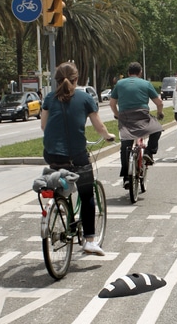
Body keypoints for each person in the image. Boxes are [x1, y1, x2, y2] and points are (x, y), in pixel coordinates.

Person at [41, 62, 114, 256]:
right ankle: (89, 240)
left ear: (55, 80)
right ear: (77, 79)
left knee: (60, 176)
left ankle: (60, 204)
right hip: (76, 156)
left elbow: (44, 126)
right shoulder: (85, 98)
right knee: (87, 194)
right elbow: (99, 127)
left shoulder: (49, 98)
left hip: (52, 155)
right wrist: (108, 136)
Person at [109, 62, 164, 190]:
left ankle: (126, 178)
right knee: (157, 129)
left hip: (125, 118)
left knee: (125, 146)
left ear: (128, 73)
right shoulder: (146, 84)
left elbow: (112, 104)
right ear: (140, 73)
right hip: (142, 116)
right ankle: (149, 152)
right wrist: (159, 113)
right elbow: (159, 102)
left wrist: (117, 115)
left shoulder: (119, 84)